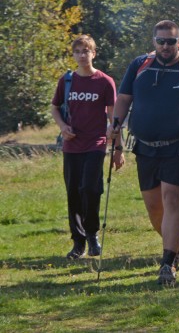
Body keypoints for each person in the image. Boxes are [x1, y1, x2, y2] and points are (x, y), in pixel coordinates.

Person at [109, 20, 179, 286]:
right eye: (161, 41)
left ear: (178, 42)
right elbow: (123, 98)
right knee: (154, 206)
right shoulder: (139, 66)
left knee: (172, 200)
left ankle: (167, 263)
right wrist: (115, 125)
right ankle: (176, 246)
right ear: (154, 42)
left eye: (171, 41)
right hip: (145, 147)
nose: (166, 46)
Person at [50, 35, 124, 260]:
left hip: (96, 144)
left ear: (94, 53)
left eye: (86, 51)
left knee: (90, 189)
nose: (82, 55)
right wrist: (63, 127)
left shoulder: (104, 81)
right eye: (78, 51)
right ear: (73, 54)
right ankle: (78, 242)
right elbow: (54, 107)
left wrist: (118, 149)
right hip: (72, 146)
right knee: (73, 193)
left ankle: (92, 235)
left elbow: (115, 118)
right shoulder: (67, 80)